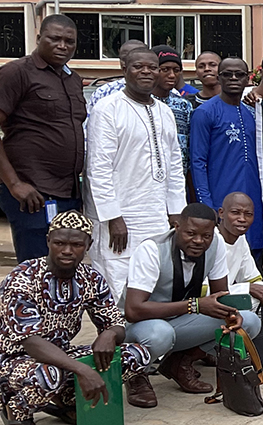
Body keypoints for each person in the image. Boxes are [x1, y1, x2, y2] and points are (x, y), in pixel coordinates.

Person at [0, 211, 153, 417]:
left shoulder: (90, 278)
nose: (67, 251)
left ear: (88, 245)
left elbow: (115, 323)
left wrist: (109, 334)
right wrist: (82, 370)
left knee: (137, 355)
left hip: (60, 355)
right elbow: (31, 342)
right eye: (59, 243)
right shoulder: (23, 278)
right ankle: (15, 410)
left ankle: (67, 401)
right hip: (13, 361)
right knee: (48, 375)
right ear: (48, 241)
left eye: (76, 245)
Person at [123, 203, 263, 399]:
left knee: (248, 321)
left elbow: (220, 295)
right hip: (139, 326)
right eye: (191, 233)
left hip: (180, 320)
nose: (199, 241)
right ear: (176, 226)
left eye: (206, 236)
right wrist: (195, 305)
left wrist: (230, 313)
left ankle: (179, 362)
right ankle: (136, 374)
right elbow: (133, 310)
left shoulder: (216, 245)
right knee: (160, 334)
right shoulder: (152, 249)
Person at [85, 48, 187, 302]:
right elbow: (98, 168)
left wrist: (176, 210)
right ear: (124, 70)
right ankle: (114, 339)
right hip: (119, 216)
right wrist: (112, 216)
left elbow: (174, 164)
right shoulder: (107, 109)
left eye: (153, 67)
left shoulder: (164, 111)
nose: (146, 72)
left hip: (155, 214)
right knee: (116, 283)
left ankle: (145, 341)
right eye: (138, 66)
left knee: (152, 280)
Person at [0, 15, 87, 263]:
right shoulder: (16, 72)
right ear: (39, 39)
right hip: (31, 192)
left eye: (69, 41)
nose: (63, 46)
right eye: (55, 39)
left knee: (65, 267)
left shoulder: (73, 79)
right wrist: (15, 184)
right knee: (36, 268)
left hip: (68, 192)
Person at [190, 57, 263, 268]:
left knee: (253, 259)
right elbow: (197, 161)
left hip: (252, 200)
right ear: (219, 77)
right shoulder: (205, 113)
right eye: (227, 74)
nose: (233, 78)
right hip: (220, 200)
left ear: (248, 78)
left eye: (239, 74)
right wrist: (207, 205)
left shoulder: (252, 113)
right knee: (220, 262)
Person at [212, 192, 263, 311]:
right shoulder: (210, 239)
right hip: (206, 301)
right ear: (221, 213)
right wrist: (246, 288)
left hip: (228, 295)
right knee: (246, 309)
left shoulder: (241, 240)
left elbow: (252, 278)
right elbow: (206, 290)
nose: (242, 219)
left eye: (248, 214)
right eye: (235, 213)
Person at [151, 45, 195, 174]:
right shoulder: (141, 103)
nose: (172, 75)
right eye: (165, 69)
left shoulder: (184, 105)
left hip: (178, 177)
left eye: (176, 70)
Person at [87, 40, 147, 117]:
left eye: (137, 59)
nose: (127, 62)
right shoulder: (103, 93)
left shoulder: (160, 92)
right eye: (124, 58)